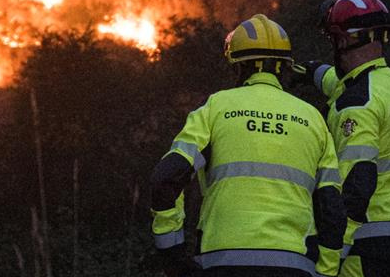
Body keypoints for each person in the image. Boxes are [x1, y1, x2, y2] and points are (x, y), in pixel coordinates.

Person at [149, 14, 347, 275]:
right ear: (285, 67)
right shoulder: (312, 118)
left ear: (237, 66)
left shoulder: (215, 108)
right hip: (295, 264)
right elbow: (331, 206)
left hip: (221, 263)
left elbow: (166, 177)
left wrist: (173, 256)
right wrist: (326, 271)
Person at [304, 0, 390, 277]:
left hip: (365, 246)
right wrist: (310, 73)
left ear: (344, 40)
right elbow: (344, 83)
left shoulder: (355, 104)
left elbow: (356, 186)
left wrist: (332, 258)